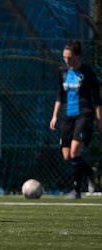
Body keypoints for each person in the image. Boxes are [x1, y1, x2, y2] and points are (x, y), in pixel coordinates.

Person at [50, 40, 102, 199]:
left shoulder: (87, 72)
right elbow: (60, 95)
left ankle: (76, 190)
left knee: (74, 151)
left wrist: (99, 119)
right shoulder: (62, 71)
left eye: (70, 57)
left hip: (84, 114)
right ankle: (90, 172)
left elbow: (97, 98)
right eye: (64, 57)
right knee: (67, 156)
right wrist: (54, 116)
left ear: (78, 56)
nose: (67, 60)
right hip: (68, 115)